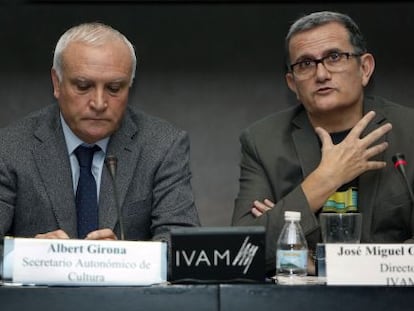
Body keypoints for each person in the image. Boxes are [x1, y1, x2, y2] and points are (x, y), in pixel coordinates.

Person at [232, 11, 414, 275]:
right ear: (293, 84)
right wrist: (326, 178)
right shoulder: (262, 142)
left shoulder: (409, 131)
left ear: (365, 68)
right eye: (305, 64)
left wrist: (322, 265)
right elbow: (241, 251)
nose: (321, 73)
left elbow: (271, 245)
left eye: (334, 57)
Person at [0, 22, 199, 243]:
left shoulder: (162, 146)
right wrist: (31, 256)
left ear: (129, 87)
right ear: (57, 83)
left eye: (114, 88)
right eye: (83, 86)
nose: (99, 103)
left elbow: (182, 246)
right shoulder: (10, 148)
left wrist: (123, 258)